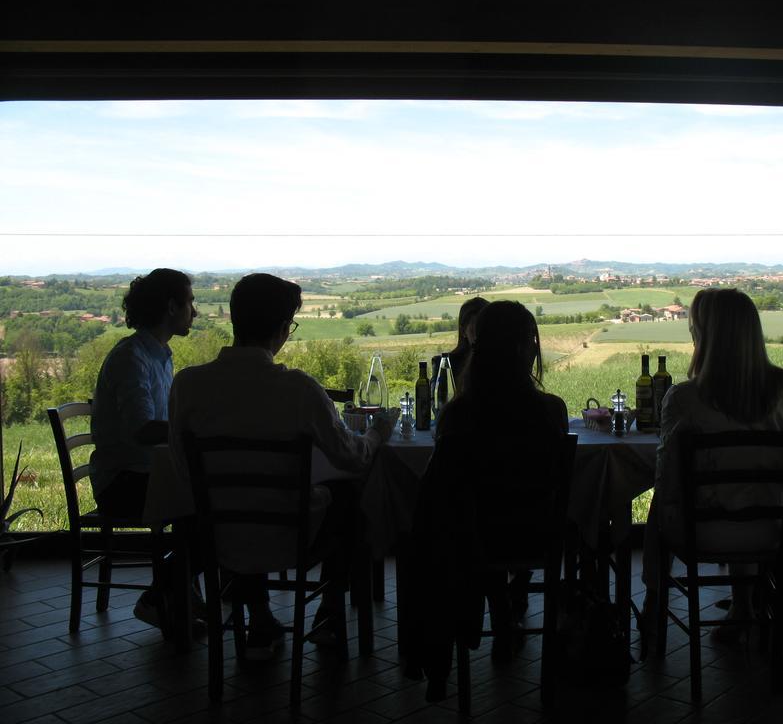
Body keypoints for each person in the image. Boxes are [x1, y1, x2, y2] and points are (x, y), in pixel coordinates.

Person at [168, 273, 394, 658]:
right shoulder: (300, 390)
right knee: (350, 497)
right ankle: (327, 613)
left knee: (242, 503)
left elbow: (181, 467)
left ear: (234, 319)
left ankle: (260, 618)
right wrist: (377, 433)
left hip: (217, 539)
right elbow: (350, 458)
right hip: (294, 540)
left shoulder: (188, 386)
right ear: (282, 329)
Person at [409, 300, 568, 701]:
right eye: (532, 340)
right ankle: (509, 617)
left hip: (468, 544)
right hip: (534, 538)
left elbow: (443, 501)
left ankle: (489, 623)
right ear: (521, 349)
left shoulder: (456, 416)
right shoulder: (551, 412)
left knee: (470, 521)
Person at [642, 288, 783, 645]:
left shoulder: (684, 398)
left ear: (704, 335)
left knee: (660, 505)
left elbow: (668, 478)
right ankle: (745, 605)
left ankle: (654, 604)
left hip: (704, 533)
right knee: (746, 496)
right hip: (776, 531)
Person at [89, 267, 197, 627]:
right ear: (171, 307)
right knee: (208, 509)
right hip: (122, 484)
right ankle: (162, 598)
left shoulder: (156, 355)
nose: (194, 312)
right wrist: (194, 430)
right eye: (190, 303)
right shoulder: (132, 359)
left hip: (146, 477)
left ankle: (180, 597)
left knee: (208, 503)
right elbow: (142, 429)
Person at [431, 295, 488, 390]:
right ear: (463, 331)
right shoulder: (445, 365)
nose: (482, 334)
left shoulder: (502, 362)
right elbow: (438, 400)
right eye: (476, 329)